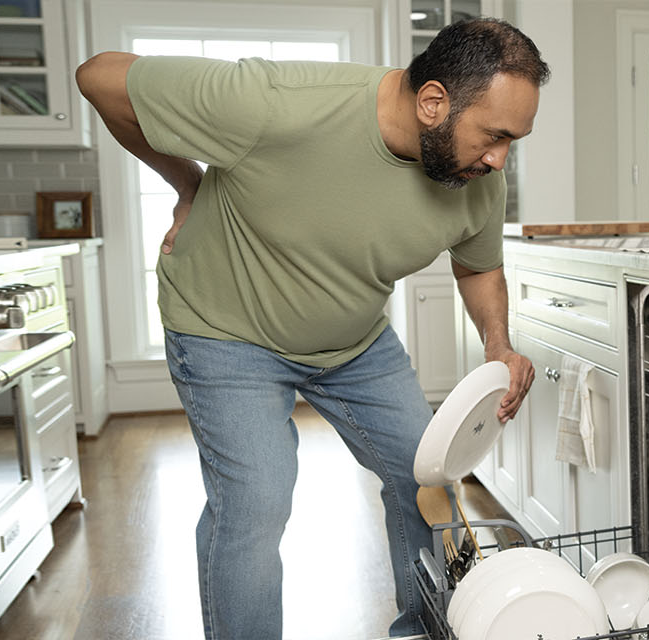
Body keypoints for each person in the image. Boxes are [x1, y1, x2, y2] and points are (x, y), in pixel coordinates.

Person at [75, 17, 548, 639]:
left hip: (353, 341)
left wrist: (497, 346)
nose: (500, 158)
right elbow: (99, 78)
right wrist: (186, 180)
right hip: (226, 331)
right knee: (256, 500)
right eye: (494, 136)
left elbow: (478, 265)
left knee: (427, 476)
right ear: (433, 102)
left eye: (514, 140)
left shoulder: (477, 179)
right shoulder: (279, 104)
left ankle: (424, 629)